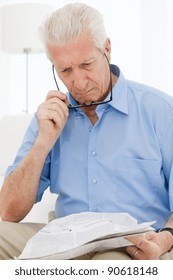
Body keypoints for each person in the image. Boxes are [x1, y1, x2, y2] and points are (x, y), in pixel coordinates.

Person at [0, 2, 173, 260]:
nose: (78, 82)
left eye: (87, 65)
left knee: (106, 268)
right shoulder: (49, 116)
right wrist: (43, 142)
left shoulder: (160, 110)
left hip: (132, 243)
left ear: (107, 49)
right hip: (63, 239)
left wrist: (164, 239)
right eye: (65, 71)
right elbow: (8, 212)